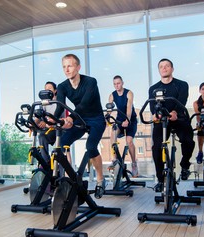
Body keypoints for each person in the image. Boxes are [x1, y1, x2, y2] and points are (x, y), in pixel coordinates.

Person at [54, 54, 107, 198]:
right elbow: (59, 108)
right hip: (79, 118)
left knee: (90, 147)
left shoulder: (90, 82)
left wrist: (70, 117)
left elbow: (84, 104)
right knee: (63, 142)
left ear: (78, 67)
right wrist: (51, 120)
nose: (67, 69)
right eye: (64, 67)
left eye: (70, 66)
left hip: (96, 119)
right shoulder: (62, 86)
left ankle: (101, 180)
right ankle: (71, 178)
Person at [148, 58, 195, 191]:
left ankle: (185, 165)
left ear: (172, 69)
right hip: (163, 121)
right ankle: (160, 180)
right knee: (156, 148)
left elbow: (182, 100)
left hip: (179, 119)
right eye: (161, 66)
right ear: (159, 70)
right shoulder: (153, 89)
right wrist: (155, 115)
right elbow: (153, 107)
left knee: (188, 141)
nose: (164, 68)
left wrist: (175, 112)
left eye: (167, 66)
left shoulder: (182, 84)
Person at [108, 75, 139, 177]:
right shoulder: (112, 95)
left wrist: (127, 119)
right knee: (112, 136)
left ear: (122, 83)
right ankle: (114, 160)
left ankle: (134, 163)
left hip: (131, 120)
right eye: (115, 84)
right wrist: (107, 117)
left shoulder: (129, 93)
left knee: (129, 141)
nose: (117, 85)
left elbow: (129, 107)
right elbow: (109, 109)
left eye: (118, 83)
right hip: (120, 120)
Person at [36, 81, 58, 164]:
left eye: (49, 89)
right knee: (41, 136)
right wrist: (32, 123)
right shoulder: (44, 103)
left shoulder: (58, 102)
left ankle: (51, 162)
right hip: (48, 129)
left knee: (42, 136)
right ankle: (47, 163)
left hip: (58, 129)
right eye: (45, 89)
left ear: (55, 91)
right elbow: (39, 115)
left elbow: (58, 118)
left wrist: (46, 122)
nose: (47, 91)